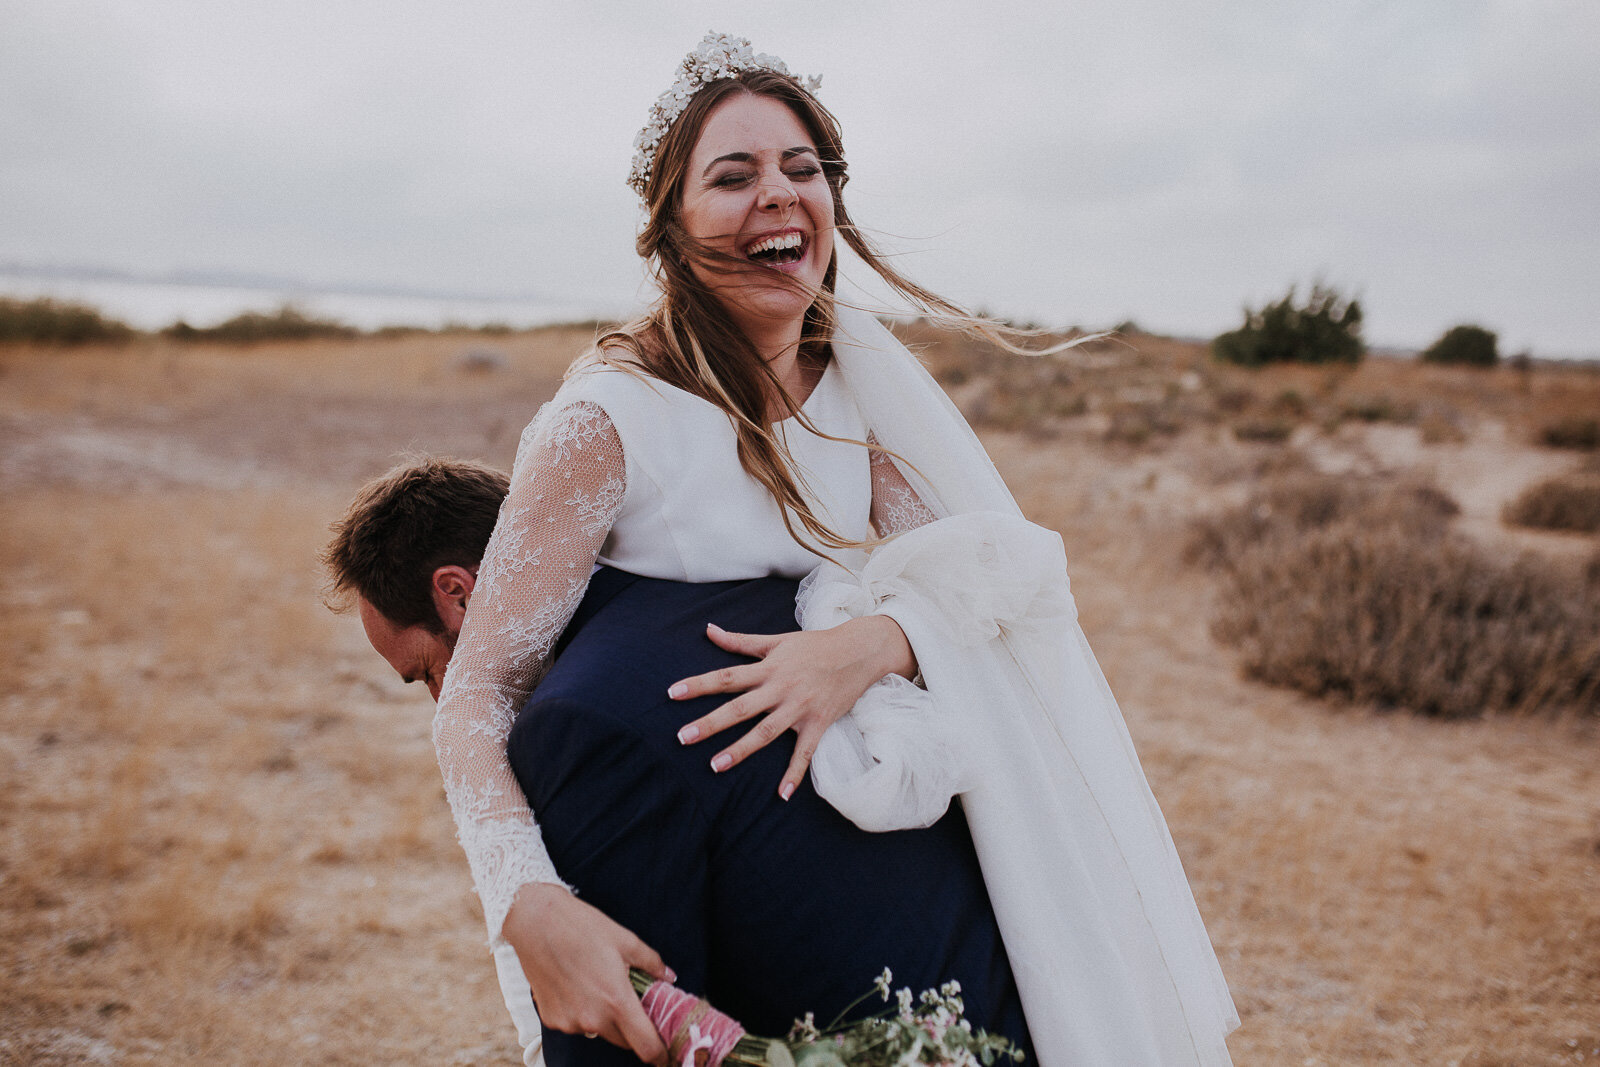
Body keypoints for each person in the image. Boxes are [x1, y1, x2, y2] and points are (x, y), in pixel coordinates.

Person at [431, 31, 1238, 1066]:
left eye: (801, 169)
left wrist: (869, 645)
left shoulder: (862, 397)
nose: (778, 192)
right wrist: (524, 898)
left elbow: (989, 589)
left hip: (869, 848)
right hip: (670, 833)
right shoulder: (609, 419)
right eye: (733, 176)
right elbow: (478, 691)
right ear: (670, 229)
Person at [321, 458, 1033, 1067]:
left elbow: (623, 1042)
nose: (443, 705)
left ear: (458, 591)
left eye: (427, 673)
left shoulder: (581, 727)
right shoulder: (745, 588)